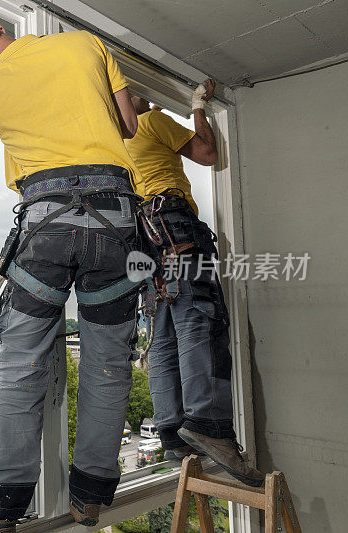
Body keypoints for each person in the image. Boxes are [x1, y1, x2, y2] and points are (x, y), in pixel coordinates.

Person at [0, 11, 143, 532]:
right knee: (108, 365)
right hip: (114, 224)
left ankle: (1, 510)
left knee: (20, 366)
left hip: (44, 225)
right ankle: (89, 498)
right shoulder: (84, 45)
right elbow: (128, 126)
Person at [124, 81, 264, 487]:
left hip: (145, 240)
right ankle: (210, 427)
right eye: (133, 88)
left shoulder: (115, 142)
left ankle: (171, 430)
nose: (142, 93)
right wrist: (198, 107)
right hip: (174, 227)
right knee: (200, 322)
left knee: (165, 332)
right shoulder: (150, 122)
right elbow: (207, 152)